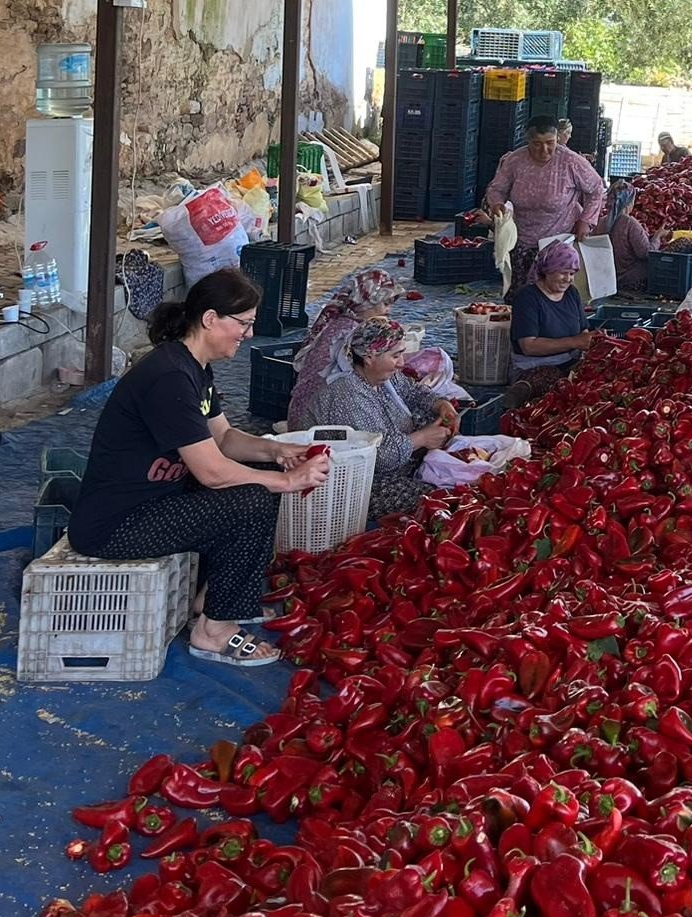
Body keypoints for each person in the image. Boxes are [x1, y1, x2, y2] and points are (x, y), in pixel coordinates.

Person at [67, 269, 331, 668]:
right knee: (255, 498)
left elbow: (224, 439)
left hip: (158, 501)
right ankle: (212, 632)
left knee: (255, 479)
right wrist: (284, 480)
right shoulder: (169, 377)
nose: (246, 334)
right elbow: (211, 472)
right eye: (242, 324)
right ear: (210, 319)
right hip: (115, 526)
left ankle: (212, 601)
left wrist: (277, 450)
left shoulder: (192, 367)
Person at [307, 317, 461, 518]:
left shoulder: (383, 376)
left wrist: (441, 404)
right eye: (396, 356)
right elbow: (377, 458)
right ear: (370, 356)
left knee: (427, 415)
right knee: (432, 498)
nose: (402, 363)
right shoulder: (348, 394)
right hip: (350, 481)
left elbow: (413, 392)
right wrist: (422, 438)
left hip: (385, 464)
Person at [484, 114, 607, 287]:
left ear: (558, 138)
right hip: (522, 241)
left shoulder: (571, 161)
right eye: (537, 144)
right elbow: (497, 189)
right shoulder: (515, 160)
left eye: (550, 143)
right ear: (528, 141)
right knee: (522, 296)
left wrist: (586, 221)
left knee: (552, 294)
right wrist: (497, 204)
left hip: (559, 241)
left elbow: (596, 189)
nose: (544, 150)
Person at [286, 269, 406, 431]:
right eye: (385, 304)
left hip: (307, 414)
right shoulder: (352, 333)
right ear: (365, 303)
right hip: (315, 425)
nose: (388, 311)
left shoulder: (344, 323)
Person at [506, 241, 591, 403]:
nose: (568, 279)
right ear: (548, 270)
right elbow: (529, 346)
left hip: (570, 361)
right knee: (551, 379)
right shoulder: (527, 297)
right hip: (534, 366)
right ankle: (518, 395)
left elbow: (583, 332)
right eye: (563, 273)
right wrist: (574, 342)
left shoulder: (572, 293)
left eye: (572, 273)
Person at [606, 183, 654, 293]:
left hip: (609, 282)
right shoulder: (629, 223)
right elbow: (646, 253)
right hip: (632, 282)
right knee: (684, 242)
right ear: (629, 203)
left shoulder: (601, 222)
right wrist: (658, 237)